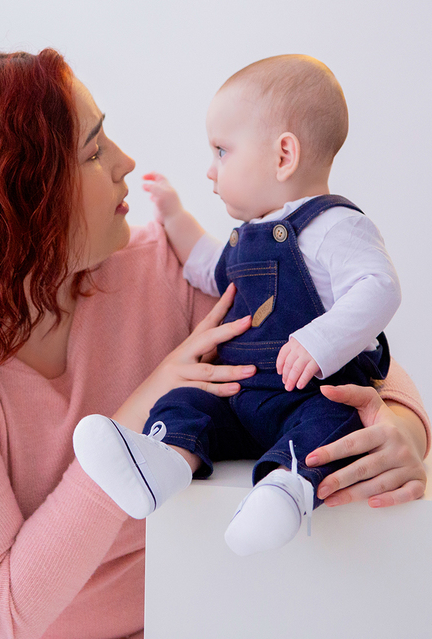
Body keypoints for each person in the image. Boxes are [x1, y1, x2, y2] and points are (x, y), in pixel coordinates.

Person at [0, 49, 431, 639]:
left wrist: (400, 429)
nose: (125, 162)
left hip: (163, 618)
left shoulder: (159, 268)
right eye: (94, 151)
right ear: (22, 196)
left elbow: (337, 354)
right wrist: (139, 414)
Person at [73, 54, 400, 557]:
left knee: (331, 425)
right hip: (239, 395)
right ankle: (164, 464)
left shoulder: (336, 226)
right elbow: (207, 266)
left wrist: (319, 341)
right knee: (187, 401)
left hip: (311, 394)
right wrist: (174, 216)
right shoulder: (246, 236)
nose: (211, 170)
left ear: (283, 155)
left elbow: (379, 287)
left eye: (222, 151)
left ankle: (285, 492)